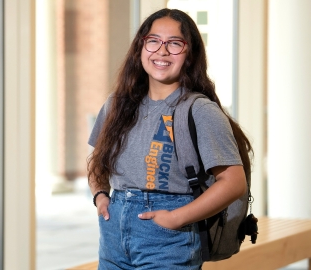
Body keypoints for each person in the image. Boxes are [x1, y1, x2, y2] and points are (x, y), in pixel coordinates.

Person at [87, 8, 253, 270]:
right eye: (153, 41)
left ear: (189, 54)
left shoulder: (199, 110)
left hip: (169, 239)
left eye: (174, 44)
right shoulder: (116, 105)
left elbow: (233, 183)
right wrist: (100, 196)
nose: (162, 51)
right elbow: (97, 162)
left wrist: (177, 218)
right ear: (140, 48)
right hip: (113, 236)